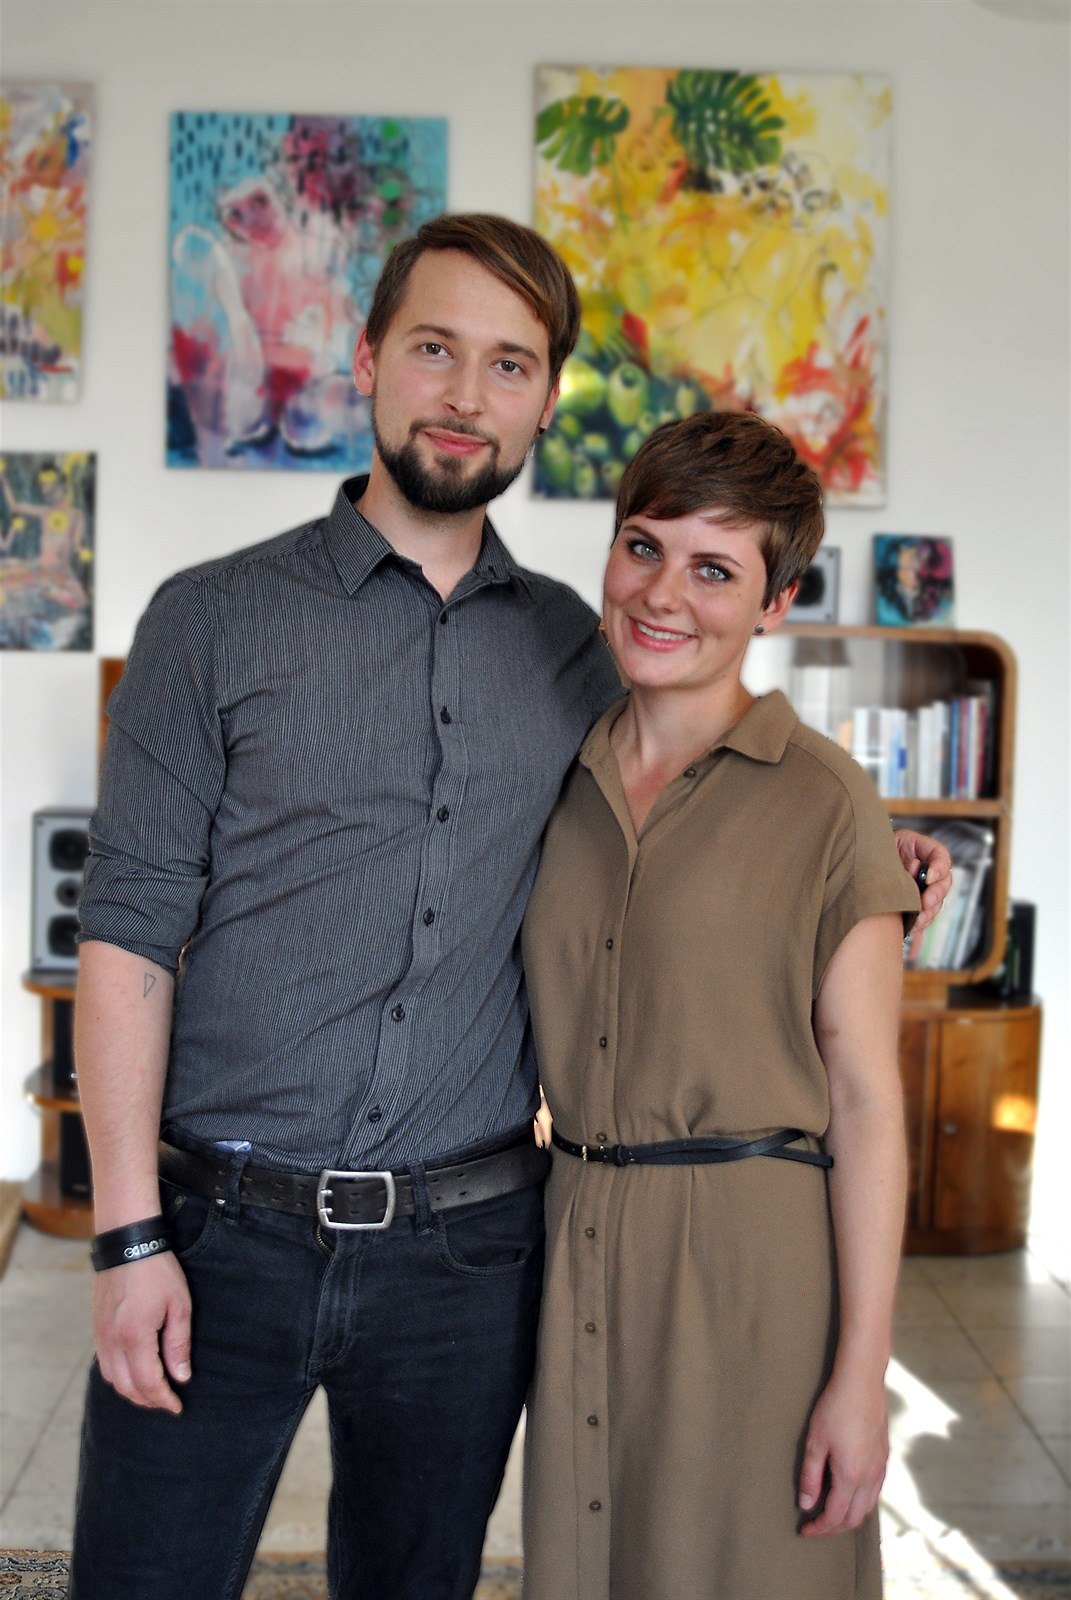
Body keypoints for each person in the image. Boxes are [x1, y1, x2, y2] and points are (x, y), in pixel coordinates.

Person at [70, 213, 949, 1599]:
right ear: (368, 358)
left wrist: (864, 849)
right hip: (218, 1233)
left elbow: (707, 780)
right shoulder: (210, 621)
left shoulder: (580, 654)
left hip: (465, 1256)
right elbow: (126, 934)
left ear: (545, 400)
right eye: (435, 349)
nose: (466, 396)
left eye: (509, 364)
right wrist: (127, 1235)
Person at [521, 409, 920, 1599]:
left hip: (752, 1271)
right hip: (576, 1237)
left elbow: (868, 1103)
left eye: (714, 570)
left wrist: (862, 1376)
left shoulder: (828, 800)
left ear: (774, 603)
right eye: (643, 546)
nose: (662, 594)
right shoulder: (553, 772)